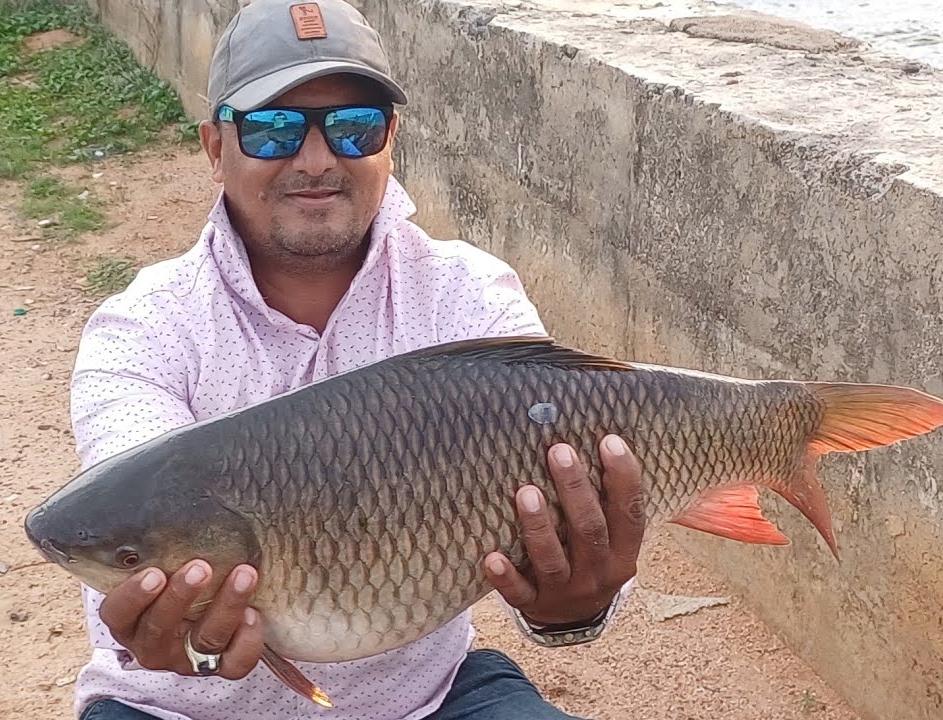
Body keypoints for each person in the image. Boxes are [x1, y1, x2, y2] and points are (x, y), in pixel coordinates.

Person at [65, 0, 647, 718]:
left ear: (390, 139)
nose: (317, 159)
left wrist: (574, 605)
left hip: (424, 702)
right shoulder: (143, 328)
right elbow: (130, 521)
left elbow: (562, 544)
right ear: (216, 146)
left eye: (353, 126)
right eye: (274, 130)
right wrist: (168, 638)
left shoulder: (468, 299)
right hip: (172, 711)